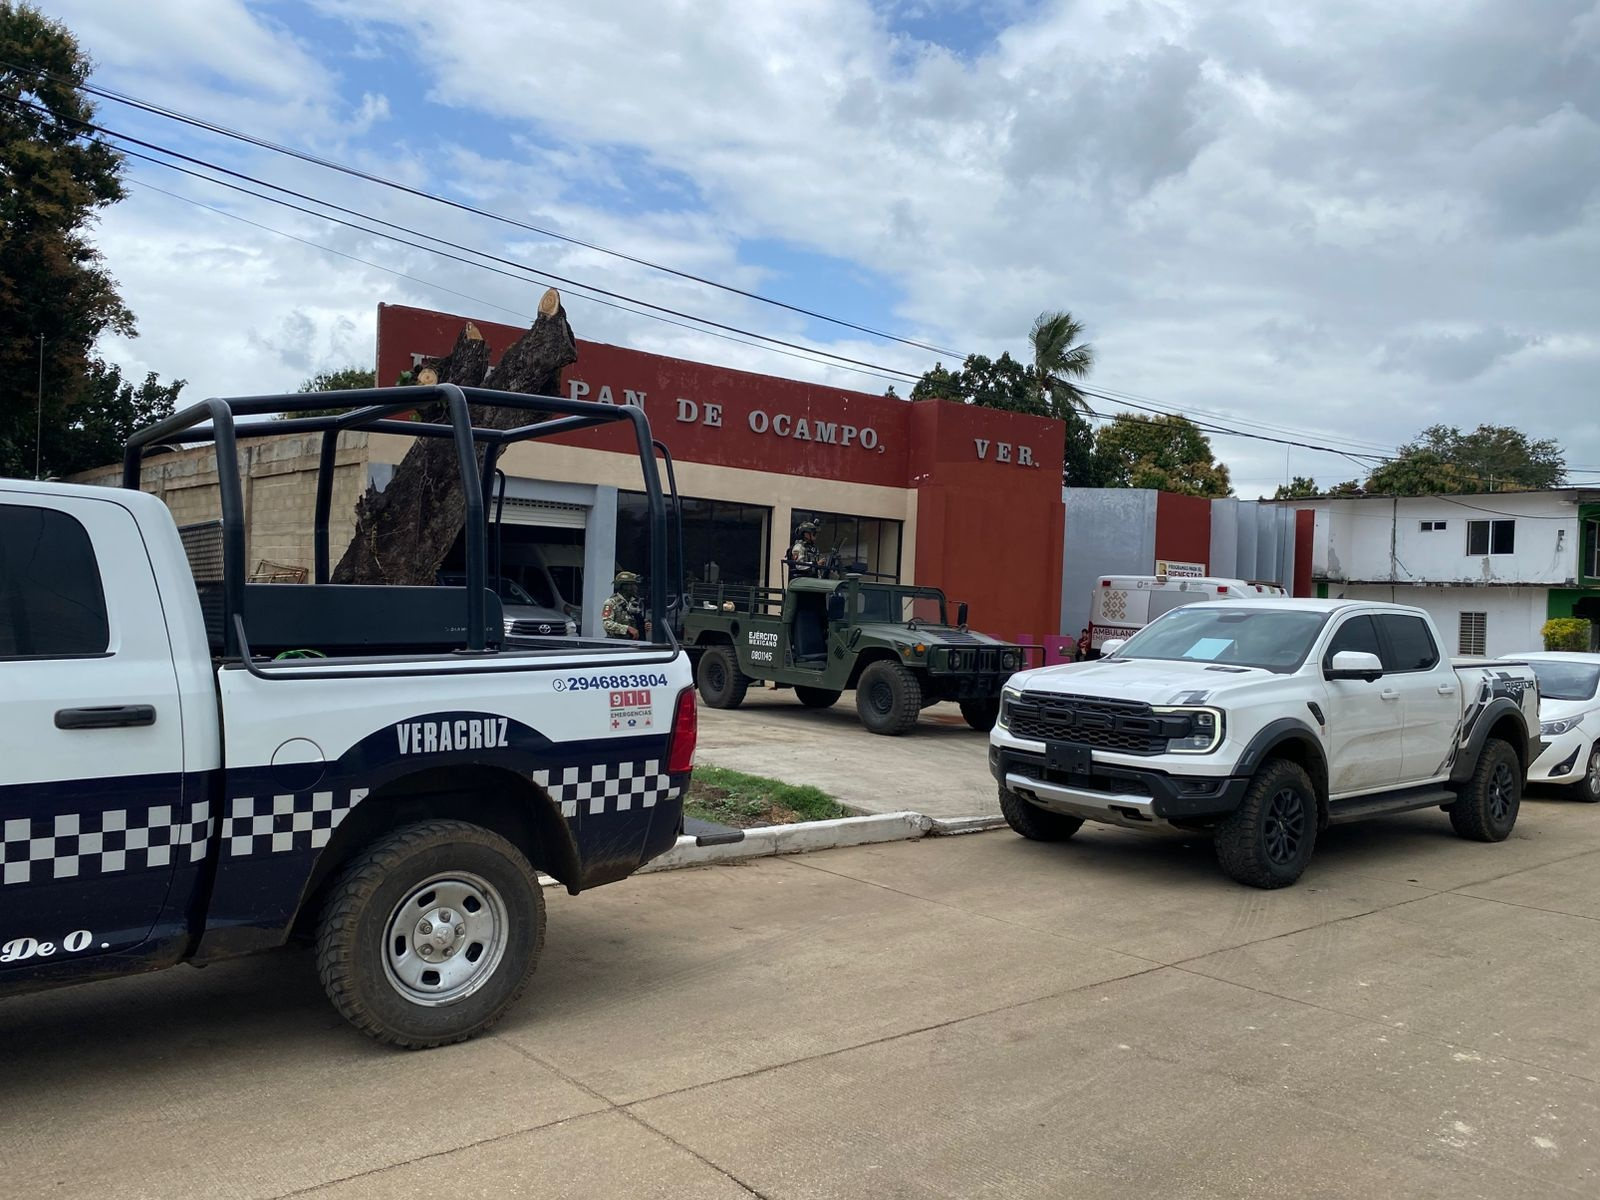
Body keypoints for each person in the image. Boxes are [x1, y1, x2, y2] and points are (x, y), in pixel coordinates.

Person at [602, 571, 649, 639]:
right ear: (625, 586)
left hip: (635, 642)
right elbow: (607, 624)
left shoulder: (635, 602)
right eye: (633, 585)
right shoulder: (611, 602)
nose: (636, 588)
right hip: (617, 643)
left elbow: (635, 620)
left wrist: (644, 625)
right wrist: (627, 628)